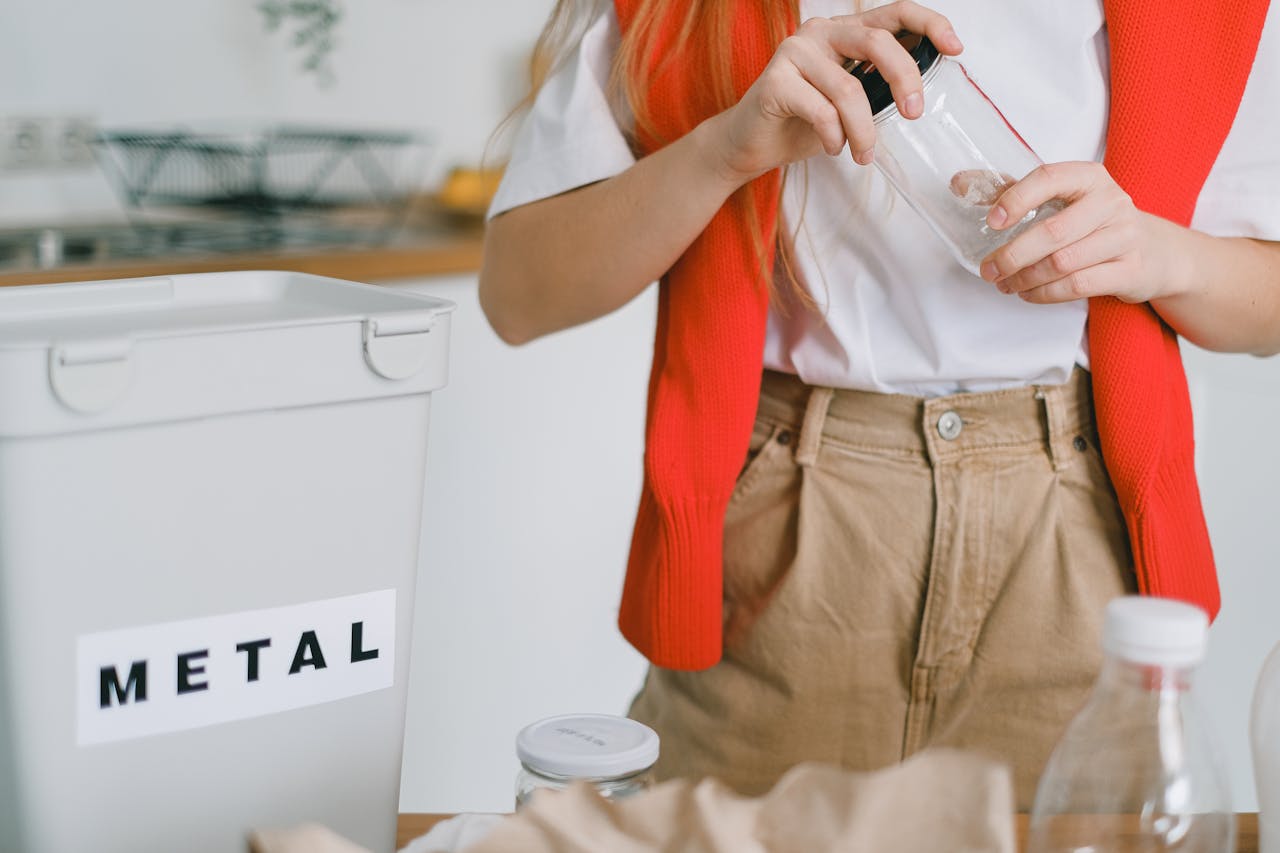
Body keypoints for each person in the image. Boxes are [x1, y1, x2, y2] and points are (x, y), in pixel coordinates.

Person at [479, 0, 1280, 807]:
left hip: (1073, 532)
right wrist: (727, 148)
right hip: (789, 545)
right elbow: (518, 292)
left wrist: (1161, 255)